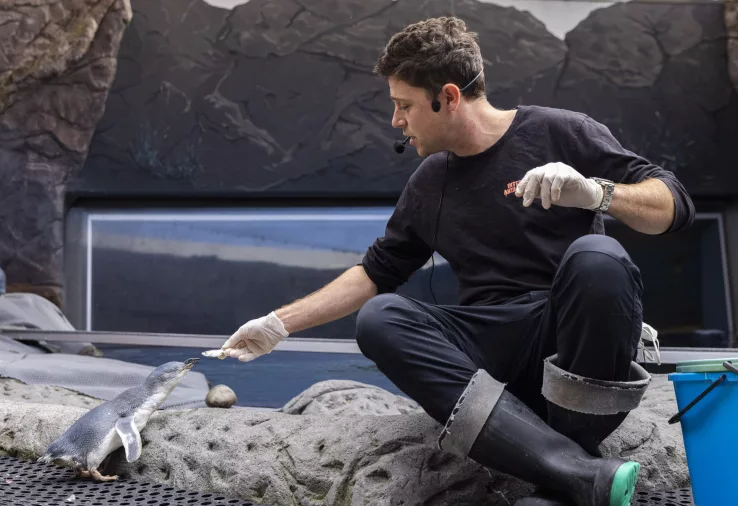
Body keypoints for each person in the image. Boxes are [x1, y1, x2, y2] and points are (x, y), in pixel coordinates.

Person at [219, 16, 694, 506]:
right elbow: (374, 274)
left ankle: (567, 463)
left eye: (404, 105)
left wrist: (597, 193)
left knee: (599, 256)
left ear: (446, 97)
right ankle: (574, 473)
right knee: (381, 317)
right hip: (493, 352)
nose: (395, 121)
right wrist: (278, 324)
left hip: (569, 341)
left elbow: (675, 207)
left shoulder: (562, 131)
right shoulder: (429, 183)